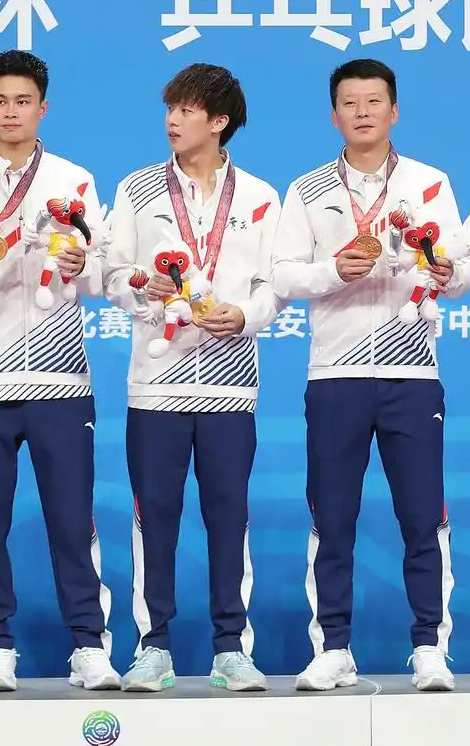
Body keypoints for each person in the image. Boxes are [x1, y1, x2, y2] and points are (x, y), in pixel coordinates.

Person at [271, 59, 470, 692]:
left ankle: (429, 647)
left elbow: (460, 273)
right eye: (350, 103)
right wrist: (334, 270)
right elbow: (282, 276)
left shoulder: (429, 183)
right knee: (333, 518)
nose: (362, 112)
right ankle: (333, 647)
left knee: (422, 516)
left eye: (374, 101)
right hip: (335, 375)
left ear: (394, 111)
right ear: (334, 115)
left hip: (412, 373)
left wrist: (447, 272)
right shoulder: (308, 189)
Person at [0, 50, 120, 692]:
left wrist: (80, 266)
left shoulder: (74, 180)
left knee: (72, 519)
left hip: (59, 379)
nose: (11, 112)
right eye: (0, 101)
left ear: (43, 107)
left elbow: (101, 275)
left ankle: (89, 645)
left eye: (23, 101)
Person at [102, 63, 280, 692]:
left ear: (219, 120)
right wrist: (140, 288)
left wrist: (248, 315)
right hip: (157, 383)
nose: (173, 121)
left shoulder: (260, 196)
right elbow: (110, 273)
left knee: (229, 517)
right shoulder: (137, 189)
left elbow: (272, 284)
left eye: (186, 110)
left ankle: (231, 648)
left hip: (230, 385)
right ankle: (153, 646)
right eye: (170, 108)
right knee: (155, 518)